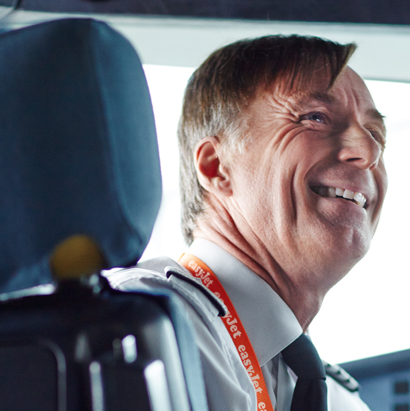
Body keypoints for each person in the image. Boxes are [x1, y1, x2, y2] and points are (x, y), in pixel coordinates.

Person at [108, 34, 387, 411]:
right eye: (315, 118)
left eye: (376, 134)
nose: (369, 151)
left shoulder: (341, 401)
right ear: (216, 166)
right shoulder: (141, 332)